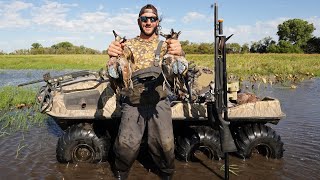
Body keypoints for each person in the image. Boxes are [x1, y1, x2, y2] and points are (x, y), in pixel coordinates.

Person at [106, 4, 187, 180]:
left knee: (165, 145)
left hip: (159, 101)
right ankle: (120, 173)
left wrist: (180, 53)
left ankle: (166, 174)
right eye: (144, 19)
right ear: (139, 21)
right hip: (133, 102)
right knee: (125, 145)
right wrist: (112, 56)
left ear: (157, 22)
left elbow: (181, 72)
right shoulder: (128, 46)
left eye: (152, 19)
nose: (148, 22)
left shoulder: (166, 45)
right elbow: (115, 73)